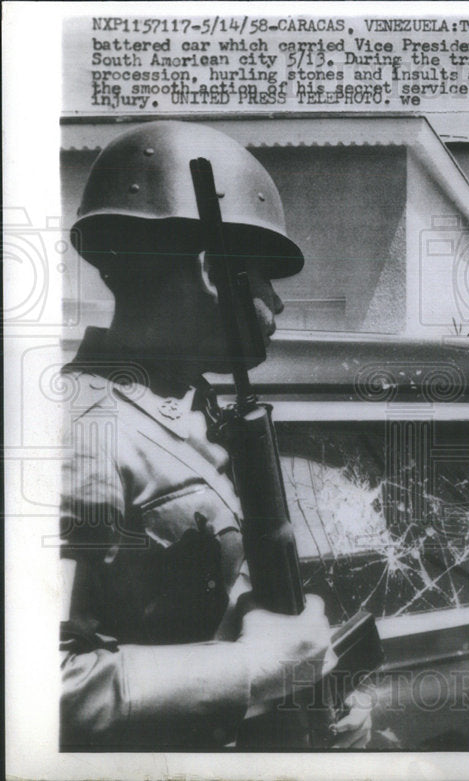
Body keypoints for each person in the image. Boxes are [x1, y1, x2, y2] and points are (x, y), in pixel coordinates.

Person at [60, 121, 370, 748]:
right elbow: (38, 688)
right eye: (264, 278)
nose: (276, 305)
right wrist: (254, 672)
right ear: (211, 272)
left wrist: (315, 690)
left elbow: (228, 600)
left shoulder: (195, 407)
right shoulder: (82, 430)